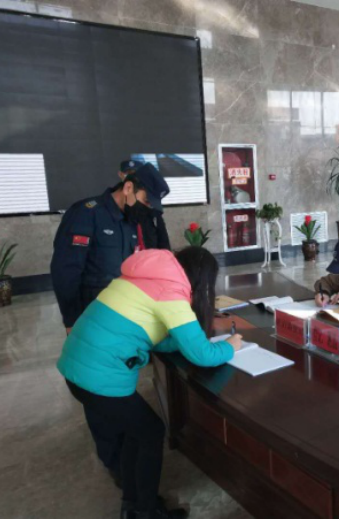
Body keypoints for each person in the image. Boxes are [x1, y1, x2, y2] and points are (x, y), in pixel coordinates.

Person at [58, 247, 243, 519]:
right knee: (150, 432)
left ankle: (133, 506)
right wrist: (231, 345)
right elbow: (203, 355)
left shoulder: (143, 277)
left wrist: (181, 342)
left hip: (76, 368)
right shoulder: (171, 294)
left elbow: (149, 335)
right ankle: (145, 511)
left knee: (136, 433)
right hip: (99, 377)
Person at [51, 162, 170, 486]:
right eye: (145, 200)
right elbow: (65, 271)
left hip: (119, 321)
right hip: (89, 316)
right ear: (128, 187)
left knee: (116, 383)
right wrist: (71, 320)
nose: (147, 209)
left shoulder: (132, 220)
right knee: (97, 390)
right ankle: (114, 461)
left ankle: (126, 455)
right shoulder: (86, 214)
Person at [119, 161, 171, 251]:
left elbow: (163, 243)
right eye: (128, 174)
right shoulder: (115, 208)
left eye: (135, 174)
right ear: (120, 175)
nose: (131, 177)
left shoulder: (153, 210)